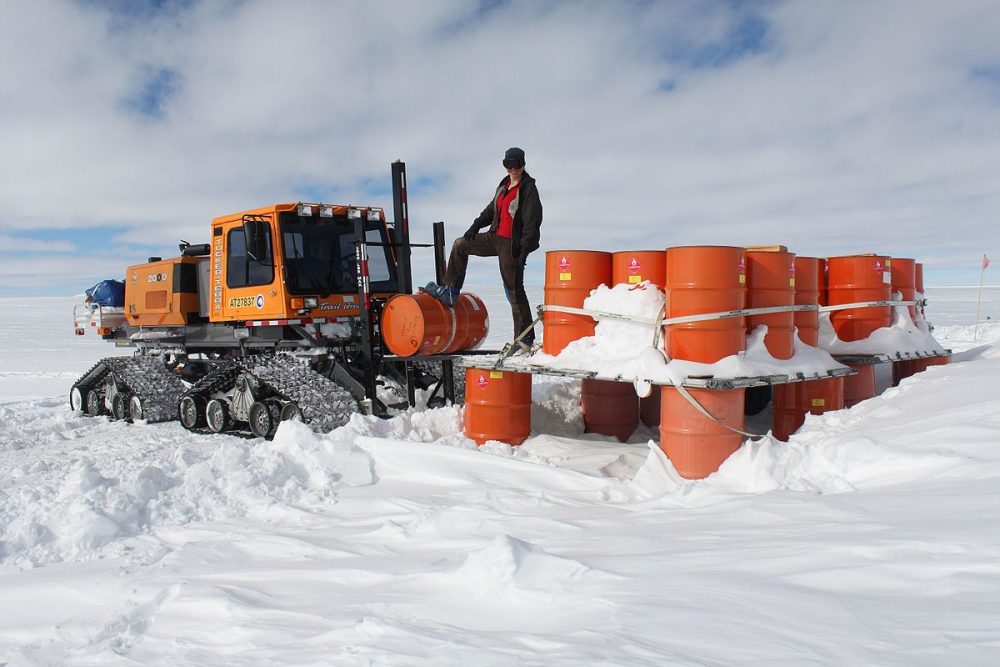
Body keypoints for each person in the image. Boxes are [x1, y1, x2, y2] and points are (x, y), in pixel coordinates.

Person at [424, 147, 543, 352]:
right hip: (494, 236)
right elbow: (491, 210)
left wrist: (523, 249)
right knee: (460, 244)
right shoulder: (504, 185)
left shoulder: (528, 189)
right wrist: (476, 225)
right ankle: (450, 291)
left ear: (523, 164)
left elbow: (533, 222)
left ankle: (523, 339)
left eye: (516, 165)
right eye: (508, 165)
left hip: (511, 244)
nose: (512, 169)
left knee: (513, 290)